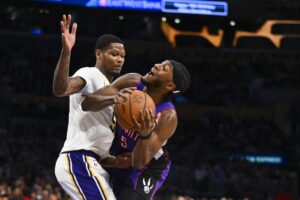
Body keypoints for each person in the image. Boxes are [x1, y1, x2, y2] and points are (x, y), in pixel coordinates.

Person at [82, 60, 191, 199]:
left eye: (164, 68)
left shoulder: (167, 116)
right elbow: (87, 104)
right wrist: (113, 98)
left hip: (148, 166)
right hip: (119, 153)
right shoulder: (132, 82)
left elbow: (138, 163)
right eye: (160, 63)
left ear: (169, 85)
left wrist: (145, 135)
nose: (156, 65)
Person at [53, 14, 127, 200]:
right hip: (78, 159)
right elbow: (61, 89)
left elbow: (98, 147)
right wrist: (66, 52)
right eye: (114, 54)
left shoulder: (114, 92)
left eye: (123, 56)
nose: (120, 59)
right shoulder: (91, 73)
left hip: (93, 162)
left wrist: (116, 161)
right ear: (99, 54)